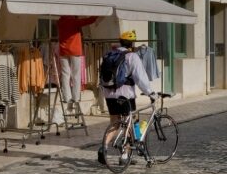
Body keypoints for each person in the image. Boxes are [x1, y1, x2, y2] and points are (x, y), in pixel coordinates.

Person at [99, 30, 156, 164]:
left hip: (109, 94)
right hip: (125, 95)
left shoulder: (109, 54)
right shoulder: (132, 56)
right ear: (132, 43)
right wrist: (150, 93)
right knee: (129, 122)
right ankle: (125, 156)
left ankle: (103, 148)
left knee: (114, 123)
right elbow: (140, 78)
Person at [57, 15, 97, 107]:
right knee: (76, 74)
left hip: (63, 50)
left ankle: (66, 97)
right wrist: (96, 16)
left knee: (65, 74)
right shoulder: (74, 22)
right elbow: (88, 20)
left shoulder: (60, 22)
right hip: (75, 50)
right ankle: (75, 97)